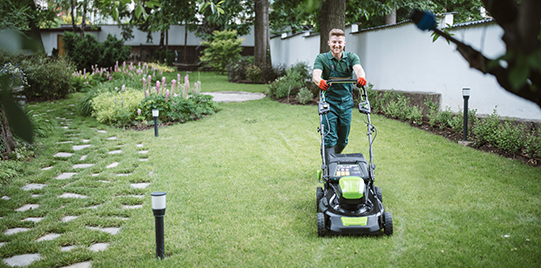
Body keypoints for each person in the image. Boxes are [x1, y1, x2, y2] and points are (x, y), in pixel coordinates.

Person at [312, 28, 367, 155]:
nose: (337, 45)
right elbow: (316, 75)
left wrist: (361, 77)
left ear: (344, 43)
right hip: (329, 103)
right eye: (334, 42)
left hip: (346, 103)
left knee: (343, 140)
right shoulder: (322, 58)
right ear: (329, 43)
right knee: (330, 137)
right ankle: (329, 166)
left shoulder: (351, 57)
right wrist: (319, 81)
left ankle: (333, 158)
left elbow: (358, 69)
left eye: (340, 42)